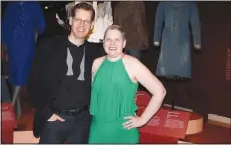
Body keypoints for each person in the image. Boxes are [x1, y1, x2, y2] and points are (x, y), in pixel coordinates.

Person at [28, 2, 103, 144]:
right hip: (54, 119)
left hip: (82, 122)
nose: (82, 25)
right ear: (70, 20)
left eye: (86, 21)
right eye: (78, 19)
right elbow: (33, 81)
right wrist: (46, 113)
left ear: (92, 25)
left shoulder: (96, 52)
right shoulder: (49, 46)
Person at [88, 25, 166, 143]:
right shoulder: (96, 64)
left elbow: (160, 91)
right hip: (97, 130)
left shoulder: (133, 64)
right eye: (108, 39)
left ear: (124, 43)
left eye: (117, 40)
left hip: (124, 131)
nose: (112, 43)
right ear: (103, 42)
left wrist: (142, 120)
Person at [1, 1, 46, 118]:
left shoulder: (34, 5)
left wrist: (34, 30)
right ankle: (18, 112)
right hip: (12, 43)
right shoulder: (11, 6)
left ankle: (9, 108)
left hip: (27, 43)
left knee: (21, 74)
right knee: (14, 75)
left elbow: (42, 26)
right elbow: (5, 26)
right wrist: (4, 44)